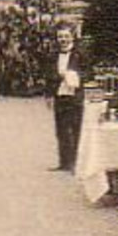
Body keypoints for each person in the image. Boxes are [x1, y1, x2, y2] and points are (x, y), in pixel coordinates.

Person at [48, 23, 85, 172]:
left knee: (76, 128)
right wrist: (49, 94)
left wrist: (72, 76)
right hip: (60, 95)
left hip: (75, 95)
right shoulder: (53, 55)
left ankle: (76, 162)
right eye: (60, 36)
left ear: (72, 37)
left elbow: (87, 73)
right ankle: (64, 162)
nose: (63, 39)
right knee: (61, 129)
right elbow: (49, 76)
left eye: (66, 36)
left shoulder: (80, 54)